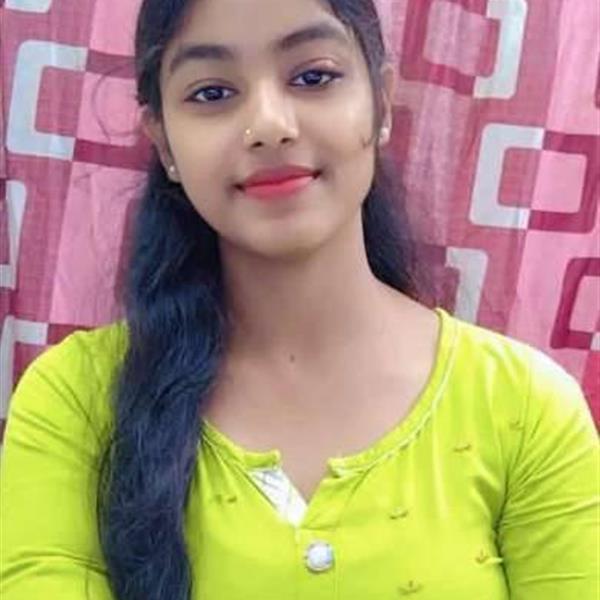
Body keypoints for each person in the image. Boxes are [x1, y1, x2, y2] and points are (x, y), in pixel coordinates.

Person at [1, 0, 598, 599]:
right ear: (164, 143)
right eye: (212, 93)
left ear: (382, 102)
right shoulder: (77, 403)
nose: (269, 123)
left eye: (313, 77)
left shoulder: (524, 409)